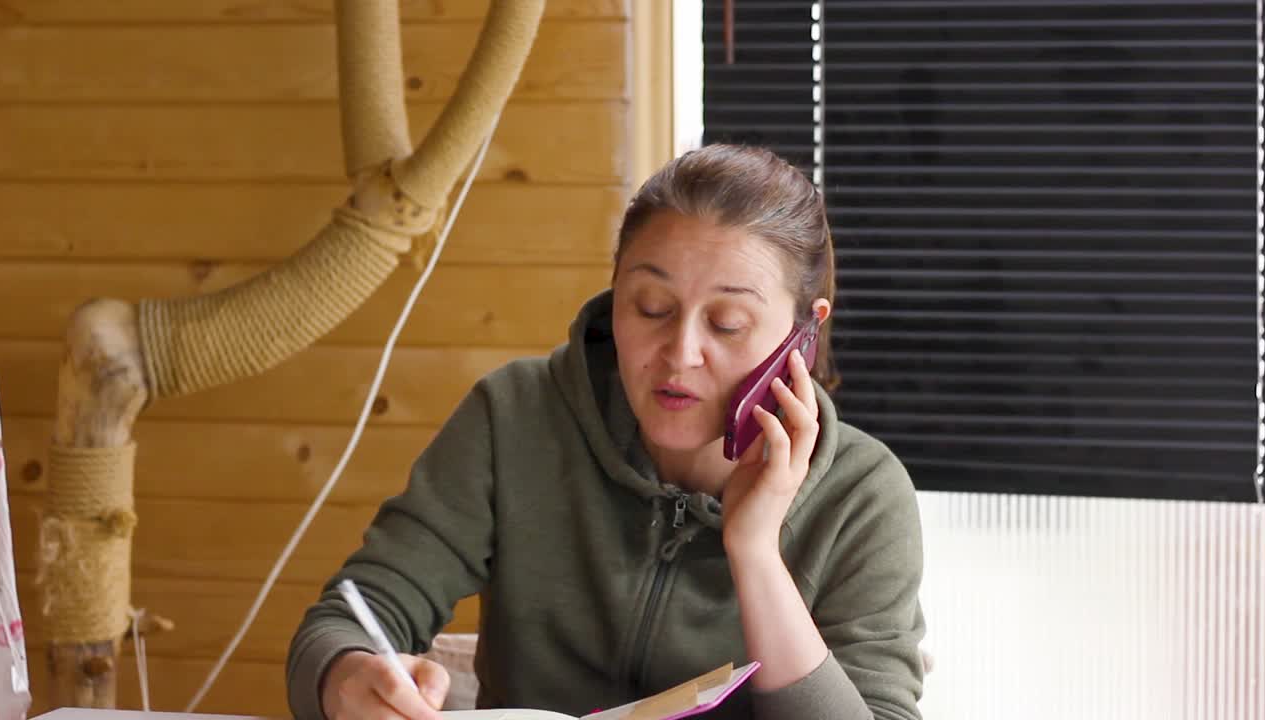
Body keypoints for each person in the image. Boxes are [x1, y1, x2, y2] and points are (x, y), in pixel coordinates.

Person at [286, 144, 926, 720]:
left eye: (727, 323)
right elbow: (351, 616)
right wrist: (345, 679)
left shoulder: (862, 494)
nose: (680, 354)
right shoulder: (514, 416)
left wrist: (755, 551)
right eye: (651, 308)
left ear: (804, 333)